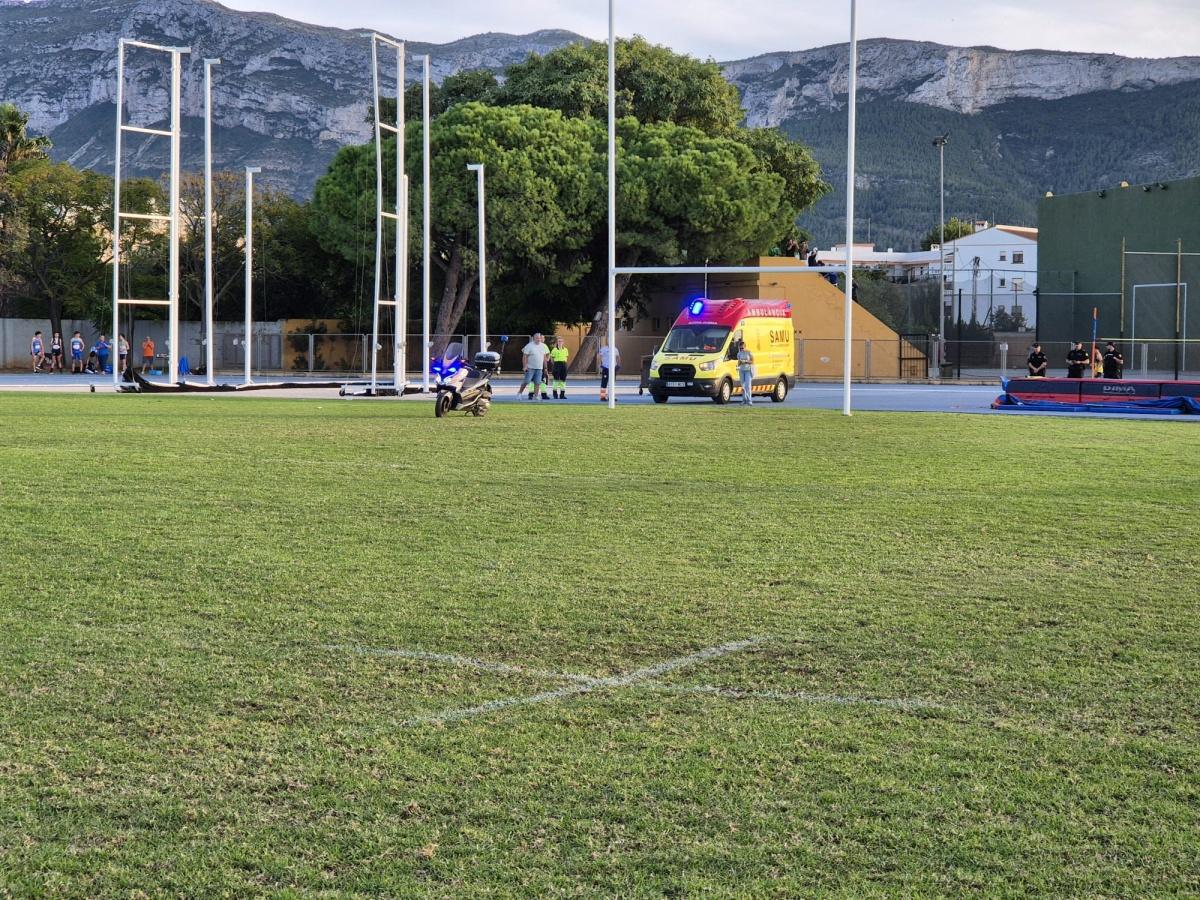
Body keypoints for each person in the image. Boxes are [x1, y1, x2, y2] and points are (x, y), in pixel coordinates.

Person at [521, 333, 550, 401]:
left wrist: (545, 367)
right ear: (534, 338)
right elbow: (525, 355)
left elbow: (545, 356)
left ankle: (536, 396)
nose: (539, 339)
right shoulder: (529, 345)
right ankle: (520, 393)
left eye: (540, 338)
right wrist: (525, 365)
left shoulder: (543, 346)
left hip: (539, 367)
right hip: (530, 367)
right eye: (537, 338)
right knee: (527, 381)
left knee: (538, 382)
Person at [736, 339, 755, 406]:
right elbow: (738, 362)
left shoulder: (749, 352)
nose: (741, 349)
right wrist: (738, 366)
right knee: (743, 387)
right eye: (740, 348)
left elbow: (753, 361)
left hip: (748, 370)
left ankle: (749, 400)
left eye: (742, 348)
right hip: (741, 370)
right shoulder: (739, 354)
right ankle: (744, 400)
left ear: (745, 347)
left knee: (748, 386)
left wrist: (746, 362)